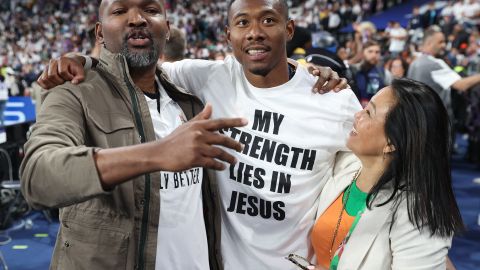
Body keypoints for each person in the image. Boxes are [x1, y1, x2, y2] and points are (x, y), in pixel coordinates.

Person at [37, 0, 359, 268]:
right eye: (243, 23)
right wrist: (83, 61)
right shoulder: (204, 78)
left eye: (268, 21)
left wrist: (307, 70)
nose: (255, 33)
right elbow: (40, 175)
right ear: (228, 34)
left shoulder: (333, 101)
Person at [19, 0, 249, 269]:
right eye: (119, 11)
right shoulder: (72, 90)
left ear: (167, 29)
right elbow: (37, 176)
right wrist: (156, 153)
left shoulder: (188, 97)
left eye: (151, 11)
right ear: (100, 33)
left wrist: (304, 70)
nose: (137, 19)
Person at [309, 78, 463, 270]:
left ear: (391, 143)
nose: (357, 115)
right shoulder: (345, 163)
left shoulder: (418, 213)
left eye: (369, 112)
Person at [407, 25, 480, 125]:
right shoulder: (434, 63)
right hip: (436, 120)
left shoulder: (414, 62)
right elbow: (462, 85)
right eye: (440, 42)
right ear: (429, 43)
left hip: (418, 118)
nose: (444, 45)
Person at [350, 40, 392, 107]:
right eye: (370, 51)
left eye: (377, 52)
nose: (374, 55)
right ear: (363, 53)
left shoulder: (384, 73)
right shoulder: (354, 70)